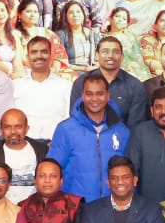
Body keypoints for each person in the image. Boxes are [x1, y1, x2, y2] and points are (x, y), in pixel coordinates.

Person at [51, 73, 132, 201]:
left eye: (100, 94)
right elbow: (53, 169)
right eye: (89, 94)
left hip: (111, 205)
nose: (94, 99)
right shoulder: (65, 129)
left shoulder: (122, 131)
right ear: (83, 96)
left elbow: (129, 172)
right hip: (76, 205)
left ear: (107, 96)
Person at [0, 108, 49, 204]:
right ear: (1, 130)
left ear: (27, 129)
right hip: (0, 210)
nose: (13, 131)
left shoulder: (42, 151)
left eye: (18, 127)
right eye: (7, 127)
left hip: (35, 210)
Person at [69, 36, 149, 129]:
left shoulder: (134, 86)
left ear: (122, 57)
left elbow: (136, 126)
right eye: (105, 52)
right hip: (86, 136)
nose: (110, 55)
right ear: (96, 55)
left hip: (123, 137)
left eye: (116, 52)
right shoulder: (81, 83)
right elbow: (75, 118)